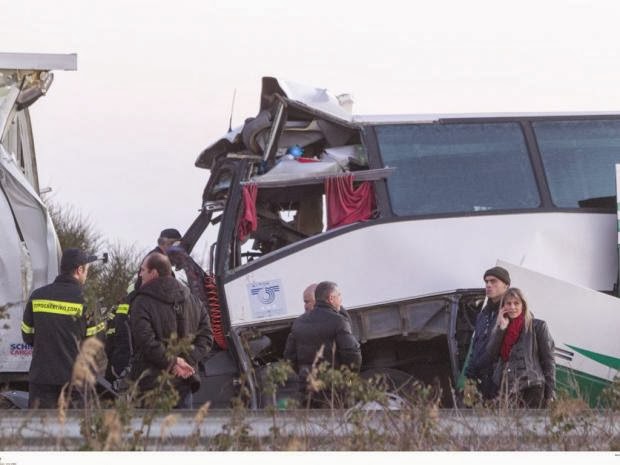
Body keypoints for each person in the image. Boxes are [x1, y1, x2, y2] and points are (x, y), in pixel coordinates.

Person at [21, 248, 105, 408]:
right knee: (71, 431)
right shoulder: (89, 301)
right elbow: (96, 344)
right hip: (76, 383)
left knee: (41, 430)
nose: (86, 274)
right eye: (86, 270)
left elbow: (27, 335)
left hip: (41, 380)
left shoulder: (37, 296)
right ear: (79, 270)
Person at [129, 252, 213, 408]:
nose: (140, 275)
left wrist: (175, 363)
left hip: (152, 386)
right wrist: (187, 361)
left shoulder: (141, 302)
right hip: (185, 382)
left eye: (142, 270)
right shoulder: (194, 300)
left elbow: (146, 341)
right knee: (182, 432)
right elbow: (207, 336)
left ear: (153, 273)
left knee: (152, 432)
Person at [485, 287, 555, 407]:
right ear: (503, 306)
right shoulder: (500, 327)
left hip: (532, 387)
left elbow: (549, 361)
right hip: (507, 388)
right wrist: (501, 329)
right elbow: (491, 354)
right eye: (509, 303)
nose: (512, 307)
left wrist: (550, 394)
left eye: (516, 303)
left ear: (523, 305)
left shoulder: (537, 326)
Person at [284, 281, 361, 376]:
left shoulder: (298, 323)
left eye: (307, 302)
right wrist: (349, 377)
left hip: (310, 383)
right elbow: (352, 354)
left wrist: (305, 377)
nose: (305, 306)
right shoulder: (339, 320)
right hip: (334, 382)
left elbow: (289, 358)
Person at [465, 266, 511, 399]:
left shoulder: (511, 313)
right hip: (476, 379)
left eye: (493, 281)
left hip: (498, 382)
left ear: (506, 286)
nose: (488, 285)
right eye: (486, 282)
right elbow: (476, 346)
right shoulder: (483, 314)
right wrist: (469, 375)